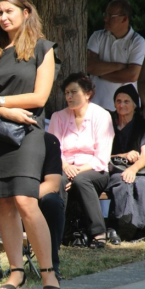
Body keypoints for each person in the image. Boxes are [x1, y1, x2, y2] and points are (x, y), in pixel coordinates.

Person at [0, 0, 61, 289]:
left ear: (26, 12)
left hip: (29, 135)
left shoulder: (43, 48)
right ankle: (16, 273)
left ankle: (49, 272)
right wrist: (8, 109)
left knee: (26, 201)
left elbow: (39, 97)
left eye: (9, 11)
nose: (3, 17)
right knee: (5, 204)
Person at [0, 132, 65, 284]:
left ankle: (51, 265)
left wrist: (23, 199)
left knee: (53, 201)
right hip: (1, 202)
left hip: (33, 202)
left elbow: (52, 184)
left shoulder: (47, 140)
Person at [48, 73, 114, 249]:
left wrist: (75, 171)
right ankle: (58, 233)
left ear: (87, 94)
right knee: (58, 180)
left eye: (74, 92)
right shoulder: (58, 117)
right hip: (65, 167)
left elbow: (101, 157)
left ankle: (98, 233)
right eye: (67, 93)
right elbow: (54, 150)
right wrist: (66, 167)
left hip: (93, 170)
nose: (69, 97)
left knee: (81, 180)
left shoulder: (102, 116)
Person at [105, 84, 145, 239]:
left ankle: (142, 228)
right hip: (114, 169)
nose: (122, 105)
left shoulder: (143, 125)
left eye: (126, 101)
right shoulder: (108, 124)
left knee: (143, 184)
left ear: (134, 105)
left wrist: (133, 169)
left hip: (138, 170)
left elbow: (144, 156)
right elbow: (101, 154)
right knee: (122, 182)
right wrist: (123, 155)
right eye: (118, 101)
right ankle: (118, 224)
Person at [88, 0, 145, 112]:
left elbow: (132, 75)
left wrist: (101, 73)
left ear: (124, 18)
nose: (105, 19)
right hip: (94, 105)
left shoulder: (137, 42)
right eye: (106, 14)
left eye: (110, 16)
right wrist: (119, 66)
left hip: (124, 110)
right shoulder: (98, 36)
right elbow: (89, 66)